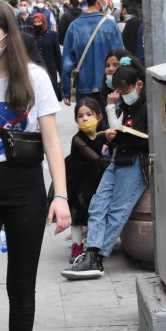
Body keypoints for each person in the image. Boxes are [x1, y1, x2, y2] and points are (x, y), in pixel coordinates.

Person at [0, 0, 71, 331]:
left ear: (6, 35)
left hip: (25, 188)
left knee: (22, 289)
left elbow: (51, 142)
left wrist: (60, 196)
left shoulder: (34, 77)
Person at [61, 56, 149, 280]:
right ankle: (90, 254)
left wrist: (120, 136)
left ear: (139, 85)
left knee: (117, 210)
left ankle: (96, 258)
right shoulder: (127, 106)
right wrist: (114, 137)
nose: (122, 95)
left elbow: (147, 140)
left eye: (125, 90)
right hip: (118, 158)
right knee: (97, 204)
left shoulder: (148, 107)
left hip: (135, 162)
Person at [62, 0, 124, 106]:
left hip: (83, 88)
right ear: (100, 1)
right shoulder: (110, 26)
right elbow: (121, 57)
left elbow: (67, 64)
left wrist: (66, 92)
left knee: (88, 123)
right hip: (109, 87)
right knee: (110, 123)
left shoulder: (74, 27)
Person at [65, 98, 109, 263]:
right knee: (77, 213)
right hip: (79, 181)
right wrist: (105, 149)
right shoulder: (78, 139)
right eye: (80, 115)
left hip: (98, 179)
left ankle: (95, 245)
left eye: (89, 114)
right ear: (76, 119)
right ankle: (77, 248)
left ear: (98, 116)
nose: (84, 119)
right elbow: (96, 158)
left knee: (97, 212)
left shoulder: (105, 133)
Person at [30, 13, 63, 100]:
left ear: (44, 22)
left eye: (39, 21)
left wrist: (61, 73)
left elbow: (58, 55)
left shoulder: (52, 35)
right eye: (35, 22)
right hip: (35, 68)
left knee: (51, 94)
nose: (37, 24)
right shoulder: (30, 36)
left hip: (50, 68)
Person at [101, 50, 131, 128]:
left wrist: (111, 105)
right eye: (107, 65)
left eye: (115, 65)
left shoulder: (131, 93)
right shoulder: (107, 91)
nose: (110, 69)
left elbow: (116, 128)